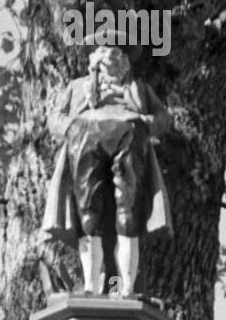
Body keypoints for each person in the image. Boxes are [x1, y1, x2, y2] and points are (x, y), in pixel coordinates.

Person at [42, 41, 172, 295]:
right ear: (96, 57)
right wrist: (71, 127)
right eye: (106, 51)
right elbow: (55, 118)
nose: (112, 56)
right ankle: (91, 285)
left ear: (124, 59)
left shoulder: (139, 89)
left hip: (129, 135)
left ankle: (126, 287)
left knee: (129, 212)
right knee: (88, 212)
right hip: (86, 136)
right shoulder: (77, 87)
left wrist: (147, 124)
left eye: (117, 52)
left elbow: (162, 117)